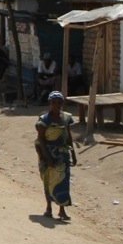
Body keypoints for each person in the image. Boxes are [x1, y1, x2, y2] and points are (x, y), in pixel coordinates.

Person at [35, 91, 77, 220]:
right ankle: (49, 208)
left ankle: (62, 210)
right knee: (48, 180)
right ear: (50, 103)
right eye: (54, 102)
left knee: (63, 181)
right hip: (47, 153)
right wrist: (47, 157)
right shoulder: (44, 120)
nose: (57, 105)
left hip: (62, 154)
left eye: (59, 103)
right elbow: (41, 140)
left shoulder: (66, 118)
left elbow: (68, 137)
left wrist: (73, 153)